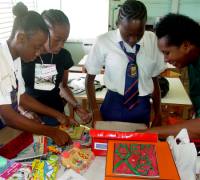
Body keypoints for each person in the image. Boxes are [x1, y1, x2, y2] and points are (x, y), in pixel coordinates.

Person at [0, 2, 72, 146]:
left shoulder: (15, 60)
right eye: (37, 47)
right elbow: (9, 117)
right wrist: (51, 131)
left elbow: (22, 97)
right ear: (21, 38)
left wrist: (57, 114)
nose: (39, 53)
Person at [85, 0, 166, 127]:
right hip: (113, 104)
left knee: (138, 145)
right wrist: (95, 110)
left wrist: (158, 113)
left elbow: (155, 81)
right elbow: (89, 80)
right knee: (109, 144)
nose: (133, 40)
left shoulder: (153, 41)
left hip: (142, 107)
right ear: (118, 24)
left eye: (139, 34)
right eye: (127, 34)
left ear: (145, 25)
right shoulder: (103, 41)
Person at [21, 9, 90, 126]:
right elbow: (14, 95)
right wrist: (24, 112)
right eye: (57, 39)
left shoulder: (63, 56)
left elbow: (63, 86)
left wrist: (76, 106)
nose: (61, 45)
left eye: (64, 40)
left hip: (57, 115)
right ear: (42, 32)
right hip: (32, 116)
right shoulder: (26, 56)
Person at [144, 13, 200, 139]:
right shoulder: (192, 60)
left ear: (186, 46)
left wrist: (151, 133)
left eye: (167, 53)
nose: (165, 59)